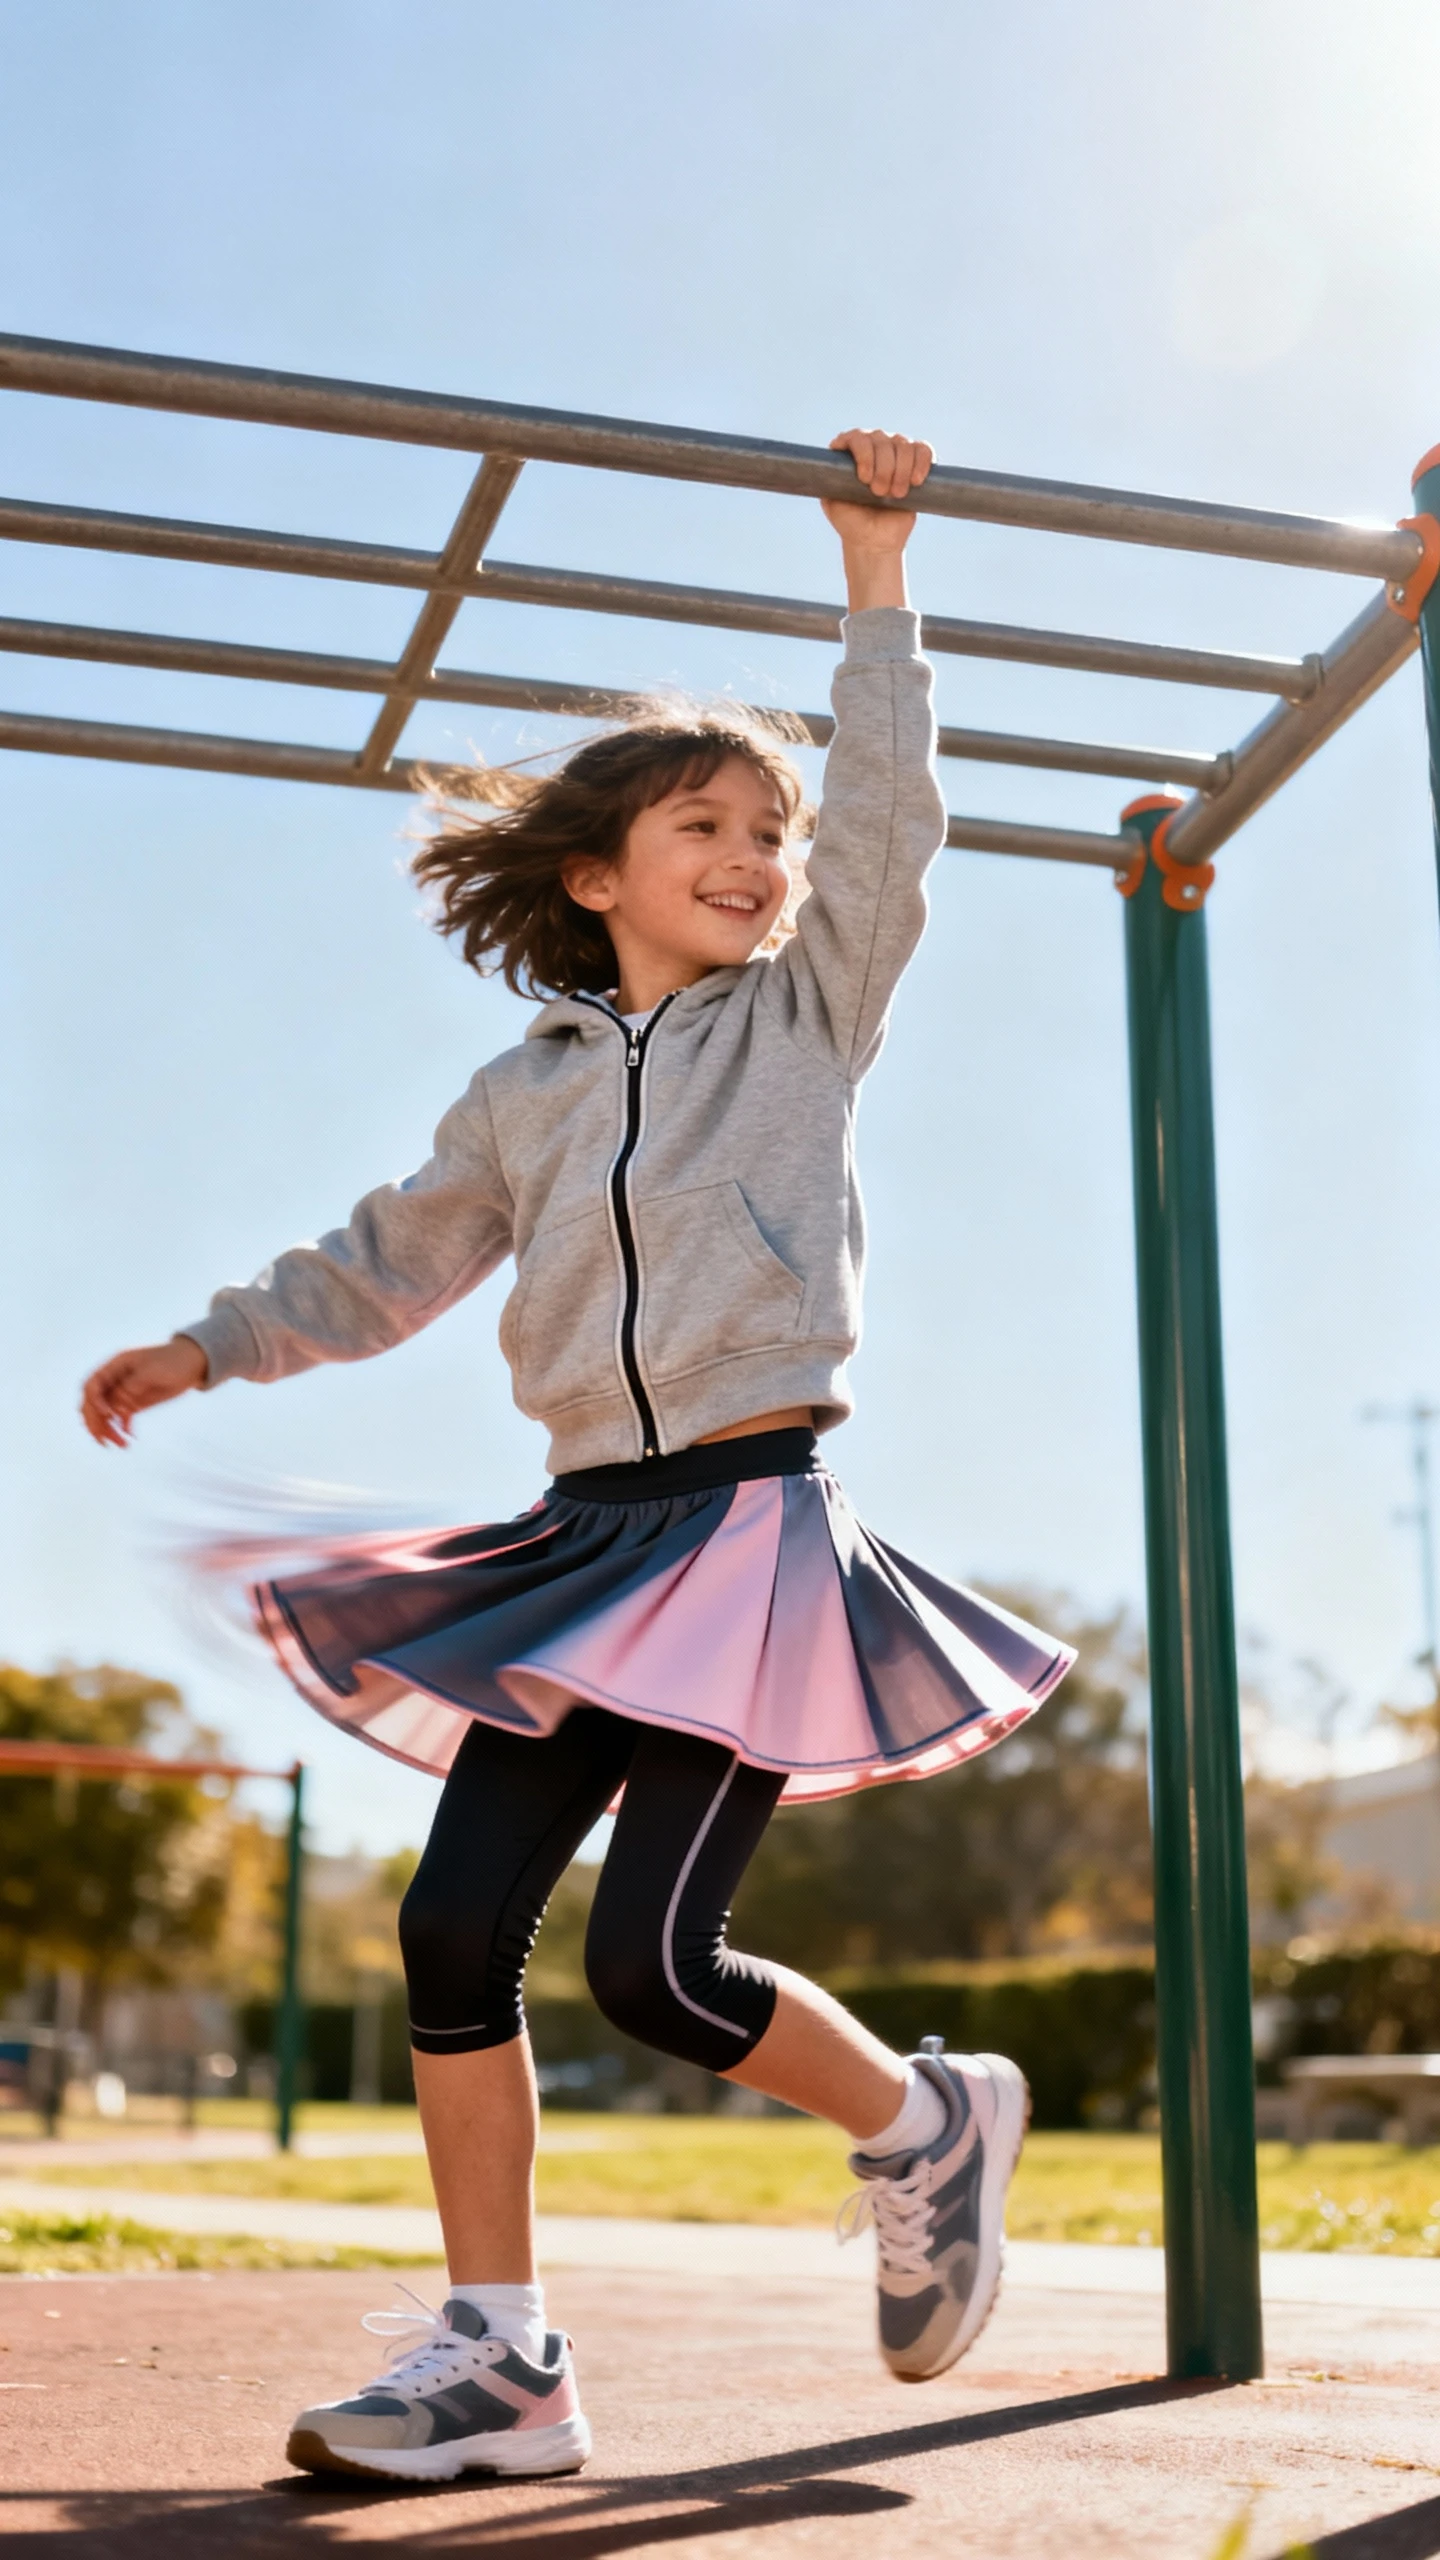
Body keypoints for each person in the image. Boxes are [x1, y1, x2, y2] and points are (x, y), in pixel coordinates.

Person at [81, 428, 1074, 2486]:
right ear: (594, 874)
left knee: (654, 1963)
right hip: (580, 1542)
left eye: (767, 832)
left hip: (750, 1525)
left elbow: (885, 822)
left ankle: (920, 2116)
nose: (755, 852)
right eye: (704, 824)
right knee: (455, 1935)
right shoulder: (521, 1094)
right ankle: (505, 2359)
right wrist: (210, 1344)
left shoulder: (799, 1020)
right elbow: (392, 1257)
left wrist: (875, 579)